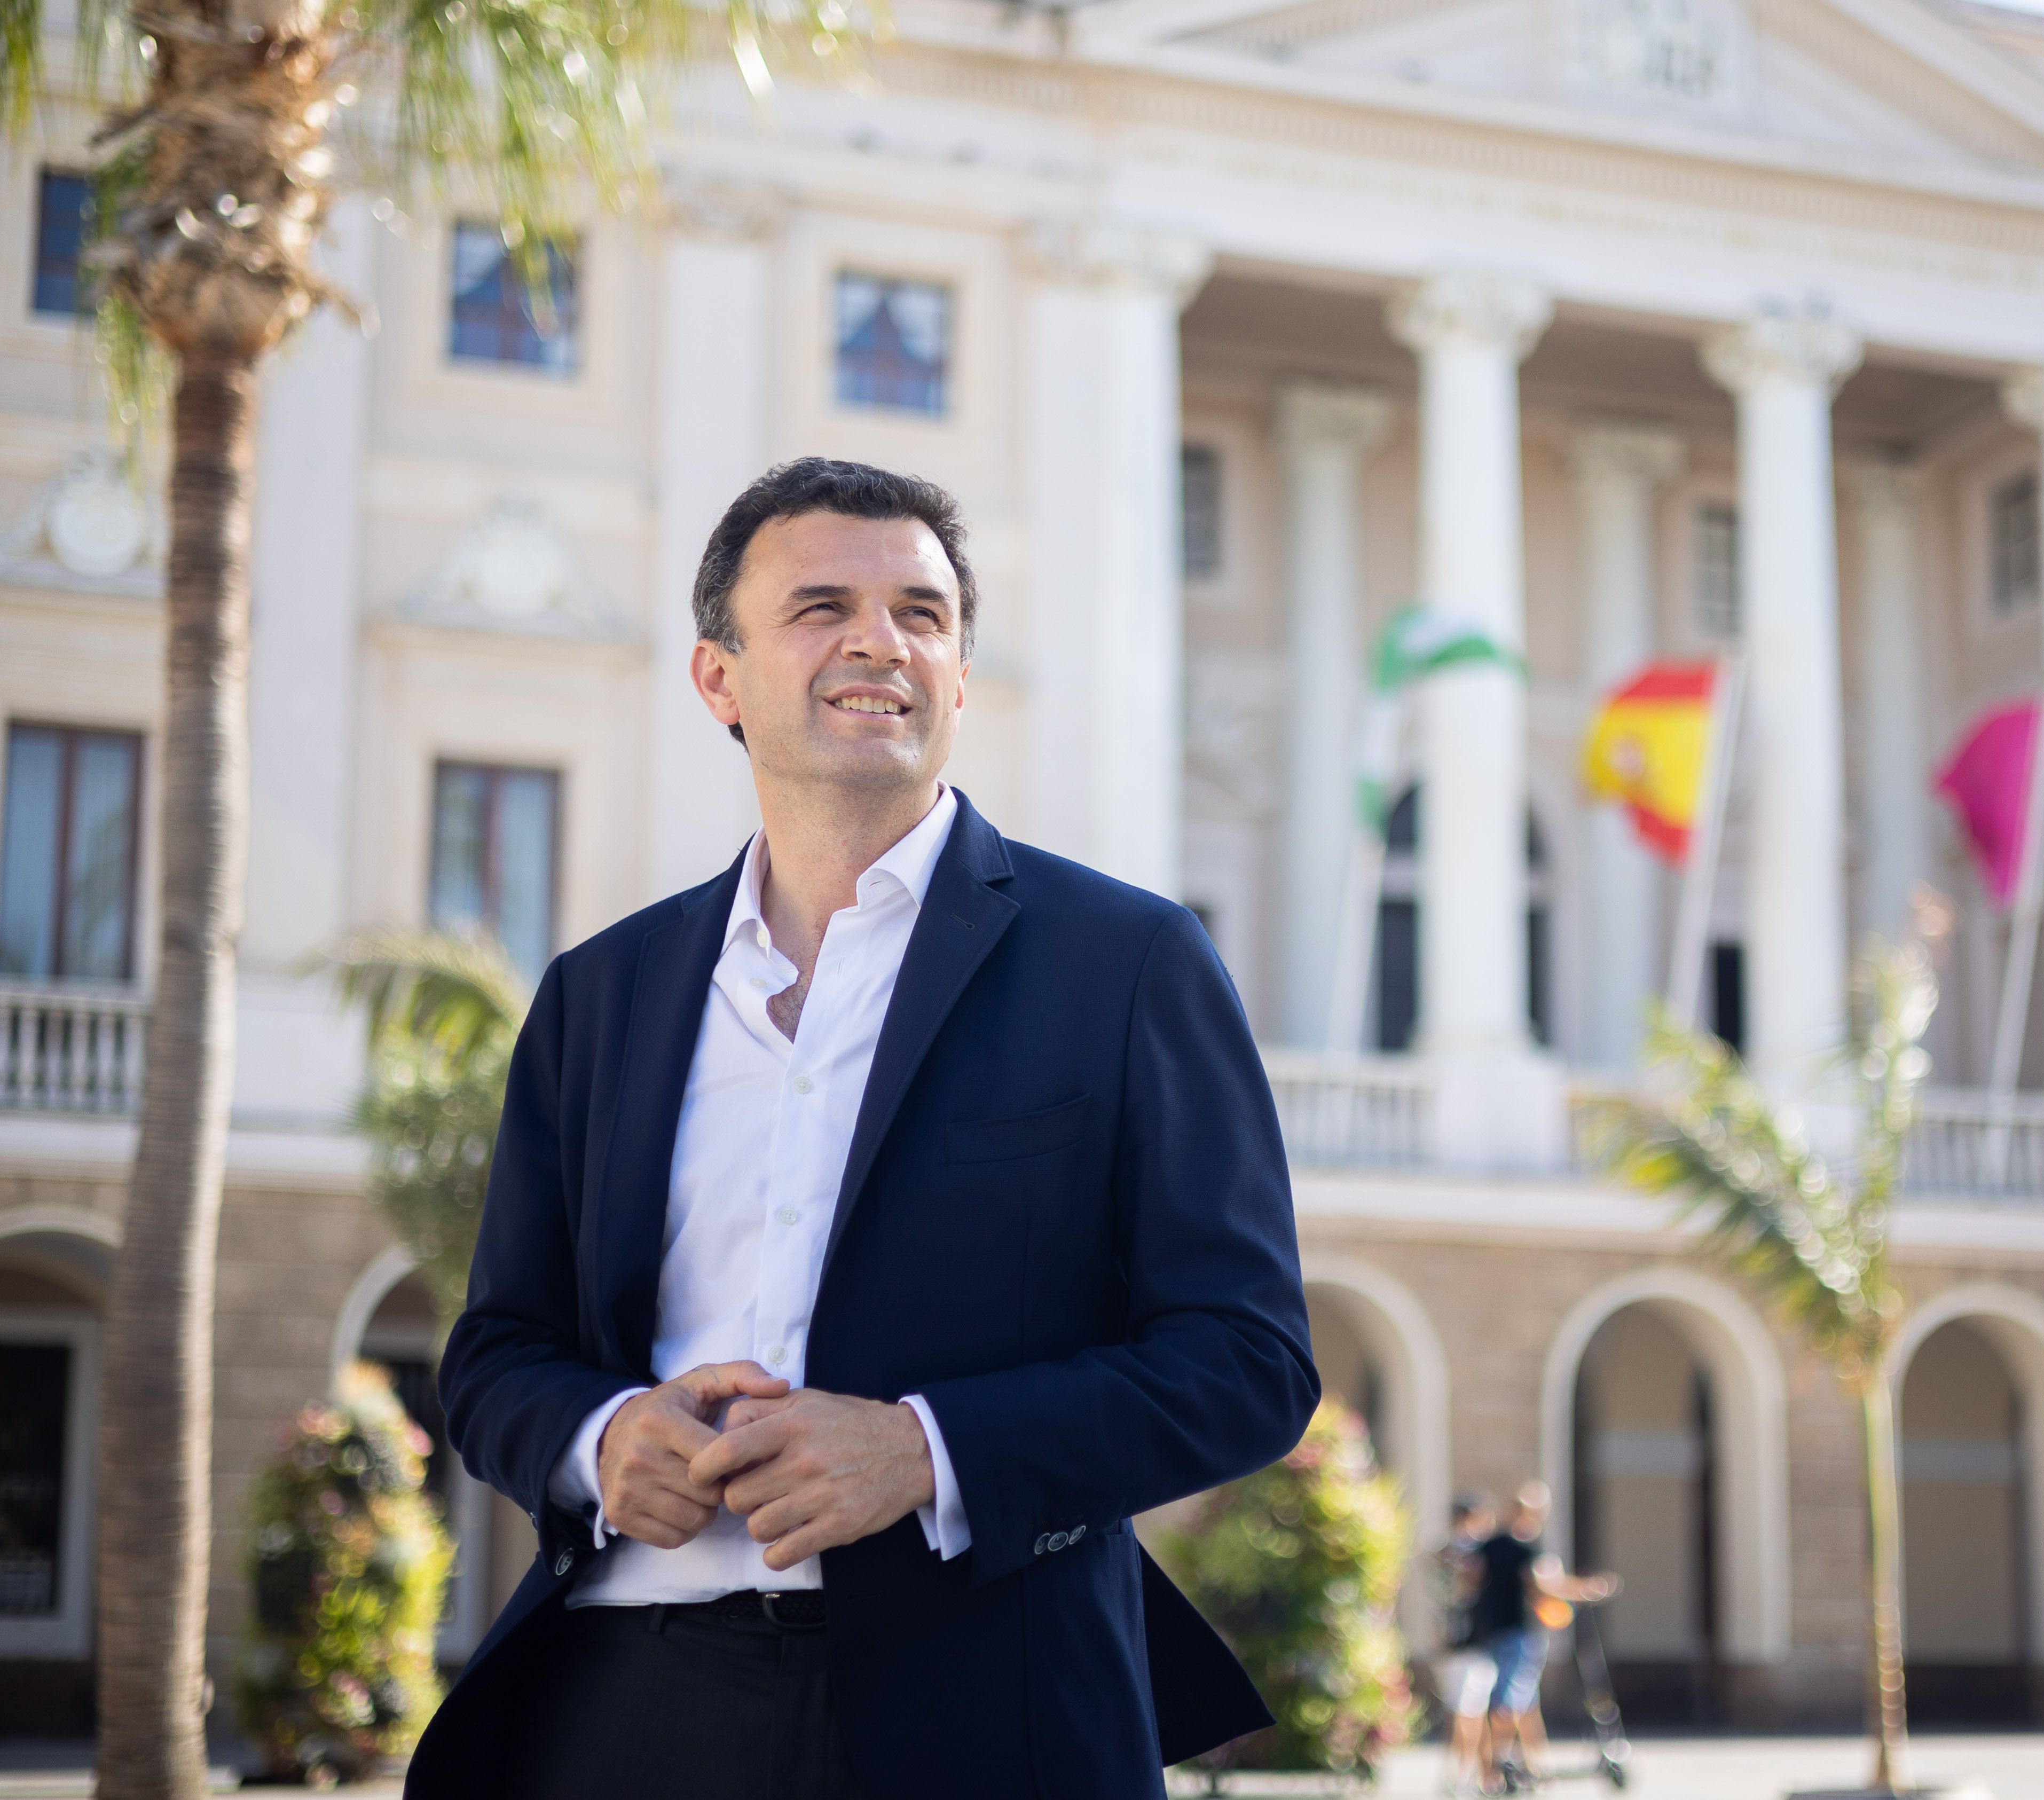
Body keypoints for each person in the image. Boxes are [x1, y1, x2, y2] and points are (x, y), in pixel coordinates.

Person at [404, 459, 1320, 1799]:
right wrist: (600, 1439)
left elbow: (1247, 1358)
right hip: (625, 1711)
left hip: (988, 1710)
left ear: (957, 674)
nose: (879, 640)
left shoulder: (1127, 961)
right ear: (720, 679)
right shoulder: (600, 994)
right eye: (821, 604)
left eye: (923, 614)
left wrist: (926, 1448)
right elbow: (494, 1354)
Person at [1467, 1481, 1618, 1788]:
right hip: (1519, 1633)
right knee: (1508, 1700)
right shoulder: (1528, 1547)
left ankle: (1533, 1765)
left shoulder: (1491, 1544)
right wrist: (1587, 1590)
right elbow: (1544, 1586)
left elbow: (1471, 1580)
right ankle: (1497, 1767)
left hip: (1491, 1631)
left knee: (1523, 1701)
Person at [1434, 1494, 1499, 1798]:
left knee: (1472, 1709)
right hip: (1466, 1641)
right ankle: (1463, 1774)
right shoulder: (1464, 1552)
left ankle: (1485, 1773)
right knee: (1467, 1709)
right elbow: (1463, 1590)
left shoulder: (1451, 1552)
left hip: (1468, 1640)